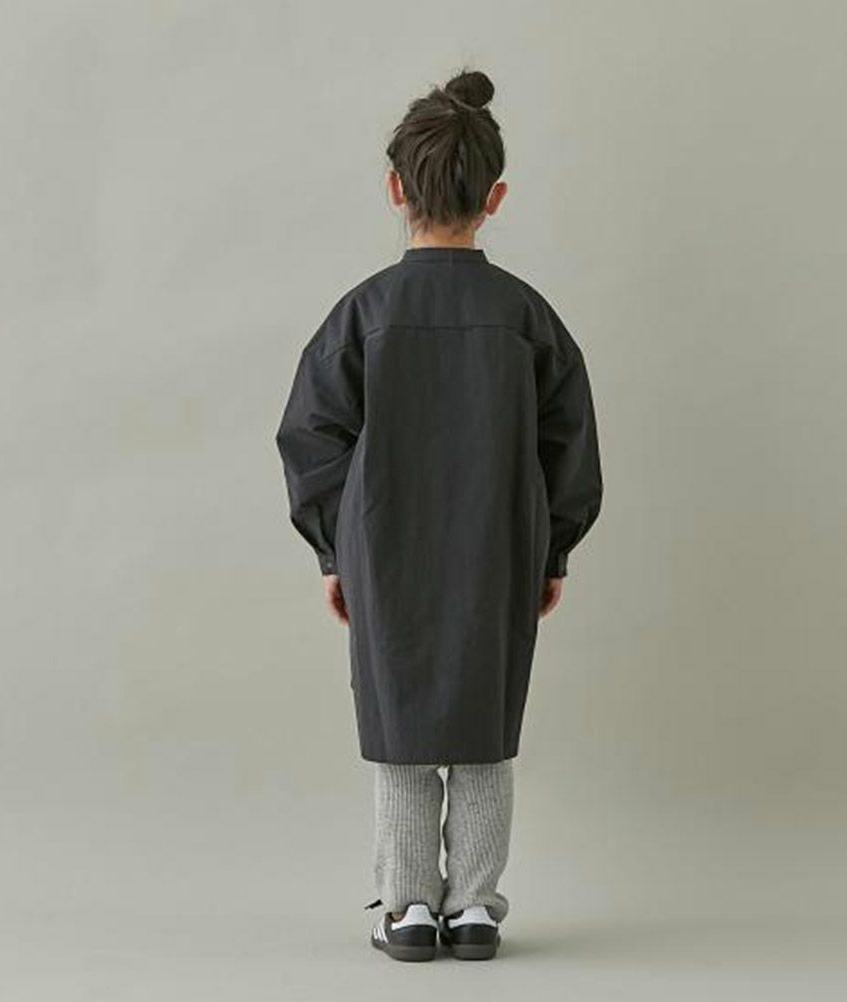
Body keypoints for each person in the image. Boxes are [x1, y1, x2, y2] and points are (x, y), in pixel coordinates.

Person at [274, 67, 603, 961]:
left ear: (394, 189)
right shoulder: (525, 316)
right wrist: (552, 551)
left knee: (402, 728)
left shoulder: (364, 314)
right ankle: (477, 908)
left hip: (385, 555)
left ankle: (410, 908)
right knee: (483, 728)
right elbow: (570, 441)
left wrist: (336, 550)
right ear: (495, 197)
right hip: (499, 551)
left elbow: (311, 433)